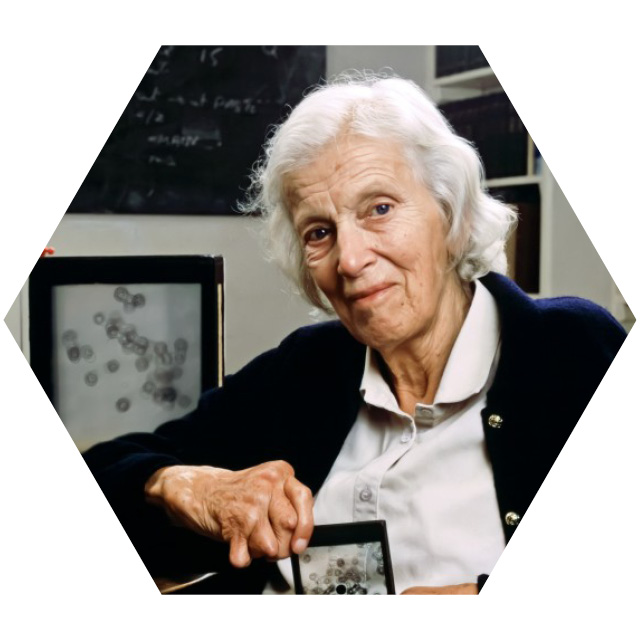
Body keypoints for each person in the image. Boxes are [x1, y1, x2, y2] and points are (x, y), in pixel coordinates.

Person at [84, 72, 626, 595]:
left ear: (451, 216)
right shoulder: (306, 368)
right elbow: (104, 474)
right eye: (319, 232)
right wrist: (188, 485)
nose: (350, 259)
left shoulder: (569, 349)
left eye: (380, 209)